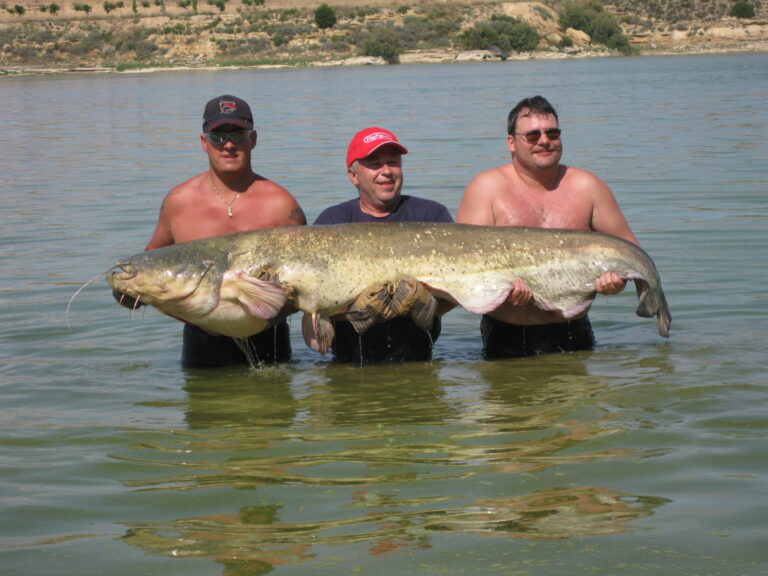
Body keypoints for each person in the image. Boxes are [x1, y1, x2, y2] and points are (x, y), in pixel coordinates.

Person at [126, 94, 307, 367]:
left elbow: (307, 279)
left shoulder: (281, 204)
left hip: (269, 337)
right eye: (218, 136)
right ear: (204, 142)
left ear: (253, 139)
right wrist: (134, 292)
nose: (229, 145)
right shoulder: (178, 201)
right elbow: (151, 262)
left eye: (238, 134)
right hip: (202, 341)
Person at [456, 95, 638, 358]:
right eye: (532, 136)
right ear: (511, 142)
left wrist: (617, 279)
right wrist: (502, 292)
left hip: (574, 330)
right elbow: (463, 266)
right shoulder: (486, 188)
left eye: (552, 133)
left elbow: (629, 249)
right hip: (507, 334)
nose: (544, 141)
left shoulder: (589, 187)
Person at [314, 126, 453, 363]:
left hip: (419, 361)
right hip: (349, 362)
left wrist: (429, 307)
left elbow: (461, 290)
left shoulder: (432, 216)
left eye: (393, 162)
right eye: (375, 164)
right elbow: (312, 303)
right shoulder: (332, 221)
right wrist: (352, 313)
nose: (386, 171)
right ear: (353, 176)